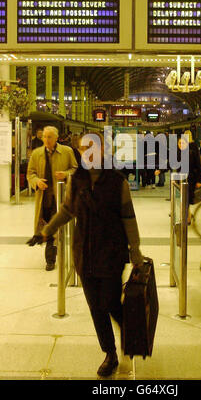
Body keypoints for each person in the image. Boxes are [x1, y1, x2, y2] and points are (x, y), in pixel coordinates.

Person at [39, 132, 144, 377]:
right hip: (83, 255)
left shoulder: (118, 182)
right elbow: (67, 210)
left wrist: (135, 250)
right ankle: (110, 353)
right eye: (83, 148)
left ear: (103, 150)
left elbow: (128, 217)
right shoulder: (77, 180)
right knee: (96, 308)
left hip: (111, 253)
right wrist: (48, 230)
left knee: (109, 301)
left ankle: (129, 331)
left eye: (91, 147)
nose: (87, 152)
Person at [27, 126, 78, 271]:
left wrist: (66, 174)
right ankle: (50, 259)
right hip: (44, 199)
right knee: (48, 226)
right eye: (44, 137)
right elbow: (30, 173)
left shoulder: (67, 152)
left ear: (56, 138)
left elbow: (75, 169)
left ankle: (60, 253)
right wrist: (36, 181)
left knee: (60, 227)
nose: (46, 140)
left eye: (50, 137)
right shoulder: (36, 154)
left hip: (62, 198)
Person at [176, 132, 201, 224]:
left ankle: (186, 219)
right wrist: (160, 170)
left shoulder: (192, 153)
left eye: (182, 143)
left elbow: (199, 166)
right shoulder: (178, 154)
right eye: (179, 143)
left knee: (185, 200)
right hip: (181, 179)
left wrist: (199, 180)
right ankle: (188, 216)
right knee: (185, 199)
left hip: (191, 180)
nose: (180, 145)